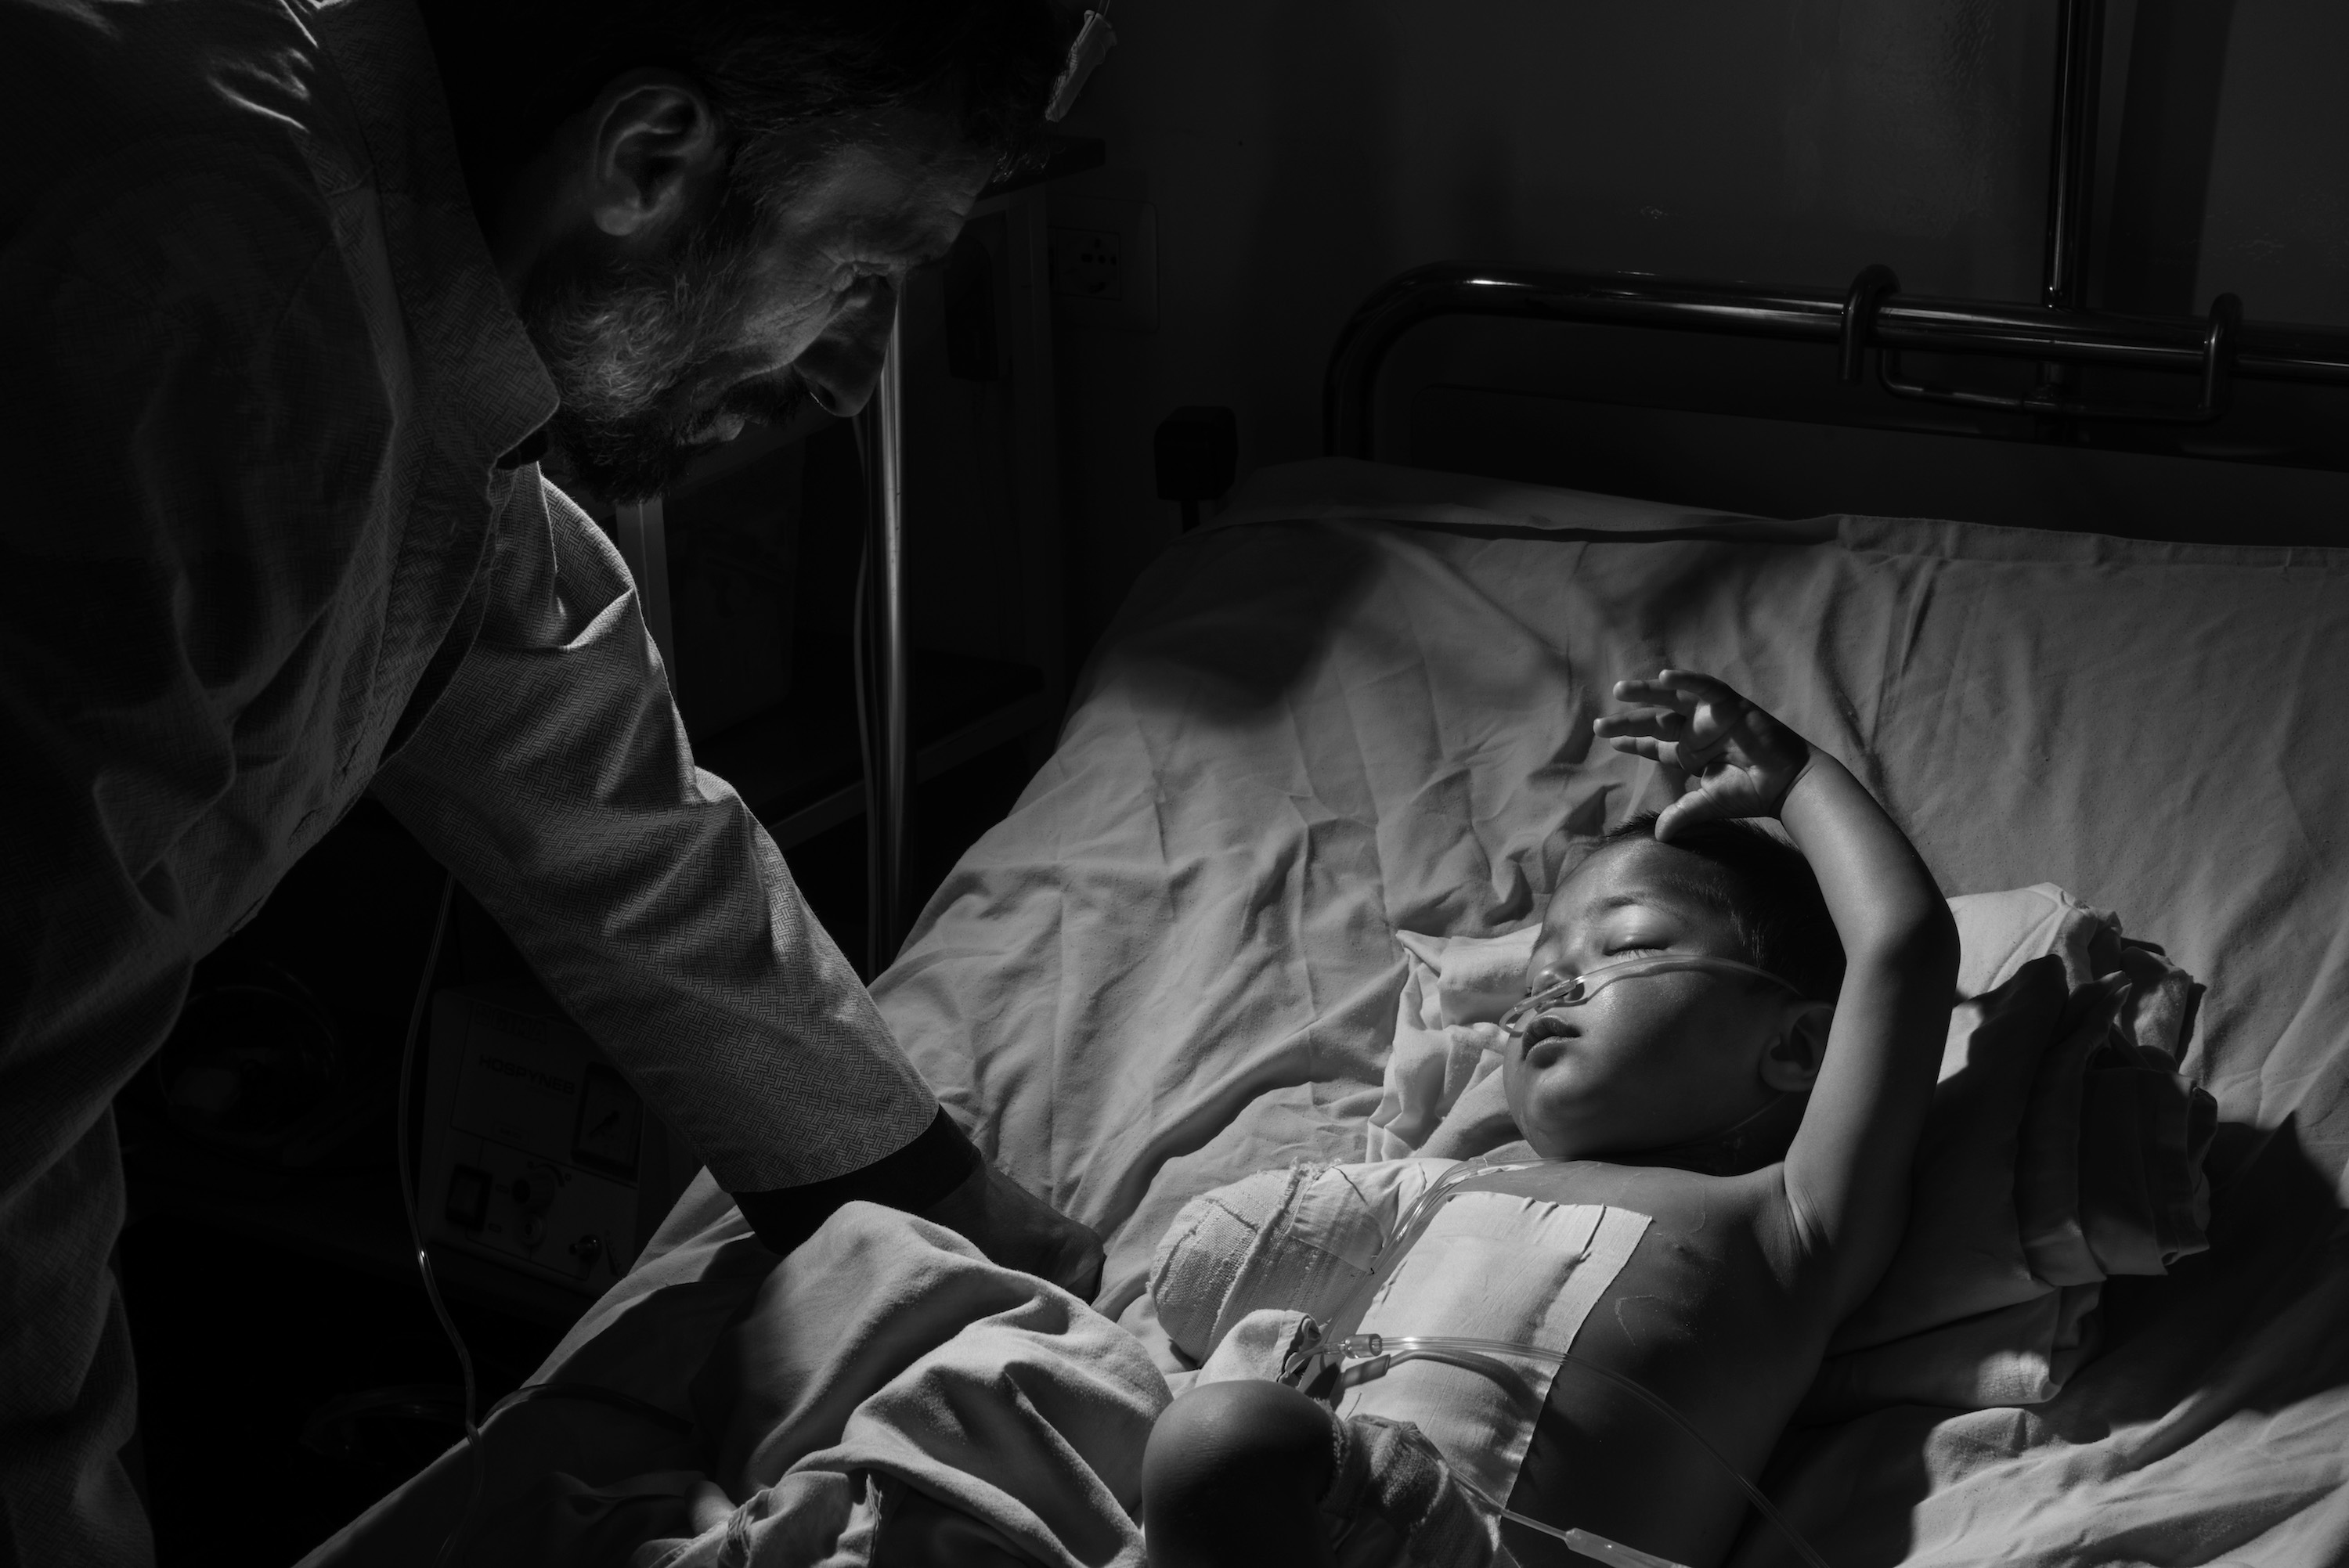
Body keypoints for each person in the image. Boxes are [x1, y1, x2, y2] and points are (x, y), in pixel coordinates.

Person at [0, 0, 1099, 1562]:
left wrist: (919, 1183)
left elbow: (592, 782)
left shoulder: (401, 279)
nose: (855, 377)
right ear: (648, 159)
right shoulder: (218, 300)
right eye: (861, 274)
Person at [1138, 669, 1965, 1568]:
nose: (1550, 993)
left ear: (1797, 1048)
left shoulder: (1789, 1218)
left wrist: (1796, 779)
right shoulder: (1447, 1189)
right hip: (1310, 1515)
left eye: (1631, 944)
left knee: (1227, 1436)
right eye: (1534, 981)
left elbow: (1904, 945)